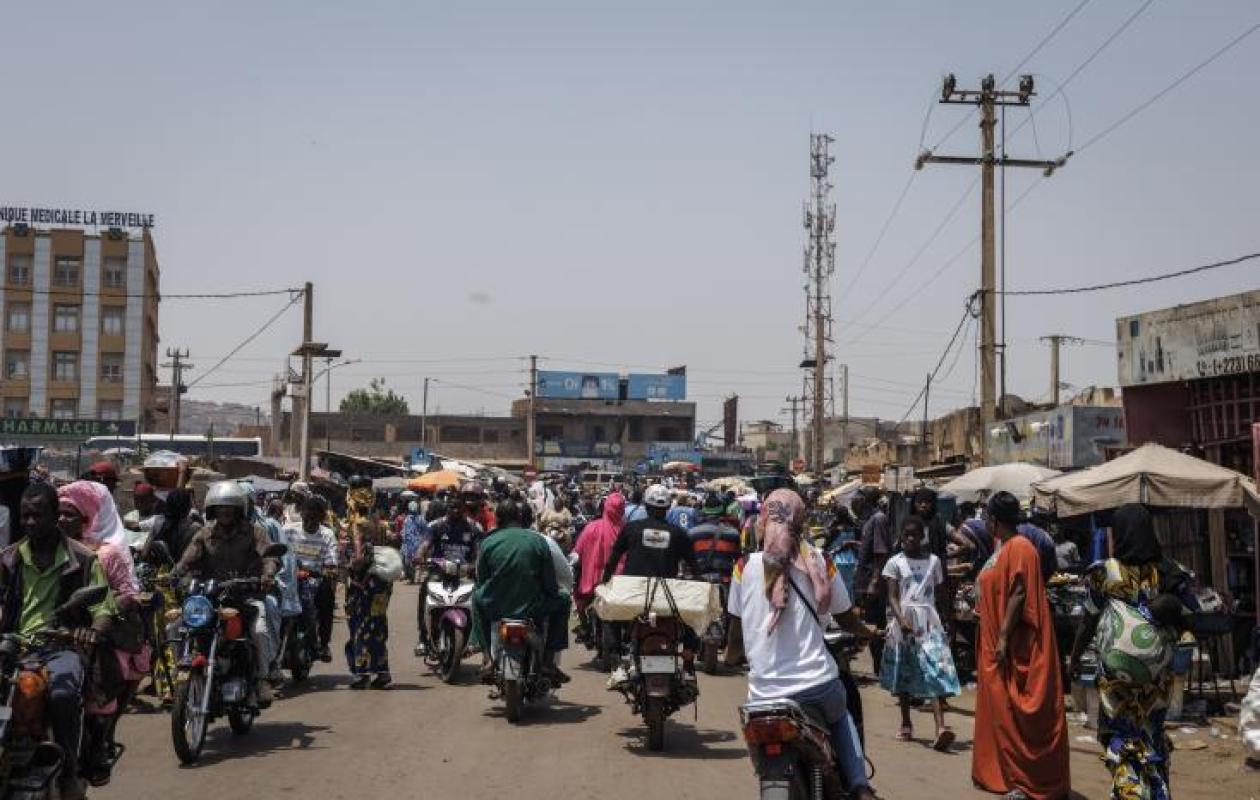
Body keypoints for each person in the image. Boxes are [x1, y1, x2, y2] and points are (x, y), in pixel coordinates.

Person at [727, 489, 879, 800]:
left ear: (764, 520)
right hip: (817, 688)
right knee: (842, 710)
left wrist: (731, 656)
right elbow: (846, 618)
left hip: (763, 696)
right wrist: (868, 632)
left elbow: (735, 631)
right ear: (800, 522)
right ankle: (859, 784)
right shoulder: (820, 561)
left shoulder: (744, 566)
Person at [1070, 503, 1196, 800]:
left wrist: (1074, 659)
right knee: (1151, 735)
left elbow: (1088, 621)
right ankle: (1157, 791)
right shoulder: (1169, 571)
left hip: (1117, 680)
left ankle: (1131, 793)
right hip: (1157, 678)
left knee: (1120, 736)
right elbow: (1195, 614)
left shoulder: (1106, 573)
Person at [2, 483, 116, 800]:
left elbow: (103, 608)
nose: (29, 522)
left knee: (64, 694)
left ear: (56, 516)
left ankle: (69, 772)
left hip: (60, 647)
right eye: (25, 516)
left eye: (37, 515)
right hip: (13, 647)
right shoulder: (8, 559)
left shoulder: (83, 558)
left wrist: (90, 630)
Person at [972, 492, 1069, 800]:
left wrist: (1002, 638)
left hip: (1013, 644)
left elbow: (1018, 593)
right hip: (995, 641)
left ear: (994, 519)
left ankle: (1027, 782)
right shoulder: (1002, 547)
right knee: (1000, 709)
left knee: (1017, 710)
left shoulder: (1021, 547)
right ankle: (1004, 774)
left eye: (987, 517)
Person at [56, 481, 149, 786]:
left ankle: (97, 746)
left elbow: (127, 593)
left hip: (102, 629)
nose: (61, 520)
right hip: (54, 630)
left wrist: (99, 616)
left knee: (101, 678)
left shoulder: (105, 554)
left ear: (88, 518)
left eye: (70, 515)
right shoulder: (43, 549)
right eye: (57, 514)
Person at [170, 480, 280, 705]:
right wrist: (173, 574)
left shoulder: (254, 532)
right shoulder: (205, 533)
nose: (225, 512)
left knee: (258, 630)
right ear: (212, 509)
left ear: (240, 509)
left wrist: (267, 575)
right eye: (220, 508)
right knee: (175, 627)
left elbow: (269, 556)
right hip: (211, 596)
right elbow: (188, 559)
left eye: (229, 508)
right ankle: (181, 678)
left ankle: (261, 679)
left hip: (245, 595)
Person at [880, 516, 960, 751]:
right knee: (903, 670)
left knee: (934, 668)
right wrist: (901, 619)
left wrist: (948, 619)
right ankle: (906, 722)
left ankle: (940, 727)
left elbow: (941, 592)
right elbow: (893, 596)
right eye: (907, 535)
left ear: (922, 537)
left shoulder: (934, 562)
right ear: (901, 538)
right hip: (903, 620)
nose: (911, 539)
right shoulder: (894, 563)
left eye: (915, 535)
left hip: (928, 621)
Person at [471, 500, 571, 684]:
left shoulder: (488, 541)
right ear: (519, 518)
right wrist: (552, 594)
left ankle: (486, 657)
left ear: (498, 519)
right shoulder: (539, 541)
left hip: (496, 607)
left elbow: (482, 580)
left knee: (476, 598)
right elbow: (549, 582)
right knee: (564, 600)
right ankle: (549, 661)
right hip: (533, 608)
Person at [414, 491, 483, 656]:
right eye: (452, 507)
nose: (456, 511)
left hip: (465, 573)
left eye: (459, 508)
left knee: (480, 598)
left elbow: (480, 551)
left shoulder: (474, 527)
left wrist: (479, 564)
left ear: (464, 508)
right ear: (447, 508)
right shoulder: (436, 526)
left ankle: (476, 640)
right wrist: (419, 555)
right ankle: (423, 638)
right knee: (424, 591)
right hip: (439, 571)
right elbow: (425, 544)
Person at [343, 478, 393, 689]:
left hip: (362, 583)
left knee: (360, 625)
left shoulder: (358, 523)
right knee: (378, 624)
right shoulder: (380, 522)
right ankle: (382, 671)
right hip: (382, 582)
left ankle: (361, 672)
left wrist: (350, 564)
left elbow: (357, 558)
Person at [600, 485, 697, 584]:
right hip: (665, 592)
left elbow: (614, 557)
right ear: (668, 507)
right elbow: (694, 565)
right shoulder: (679, 534)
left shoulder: (631, 528)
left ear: (646, 505)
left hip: (632, 591)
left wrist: (605, 579)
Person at [282, 494, 339, 663]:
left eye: (314, 518)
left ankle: (324, 643)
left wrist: (329, 570)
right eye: (307, 517)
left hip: (315, 580)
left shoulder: (327, 535)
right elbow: (277, 550)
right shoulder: (288, 530)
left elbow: (331, 560)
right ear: (302, 514)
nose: (310, 522)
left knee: (327, 597)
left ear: (321, 518)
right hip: (288, 578)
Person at [571, 491, 625, 643]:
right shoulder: (626, 530)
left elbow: (577, 551)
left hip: (591, 583)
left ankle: (584, 627)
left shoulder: (591, 527)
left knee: (578, 599)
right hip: (619, 584)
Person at [854, 487, 893, 669]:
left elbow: (880, 554)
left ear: (868, 499)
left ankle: (882, 666)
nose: (856, 501)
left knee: (875, 624)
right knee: (870, 623)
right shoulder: (870, 520)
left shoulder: (878, 519)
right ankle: (880, 665)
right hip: (866, 579)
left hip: (873, 582)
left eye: (859, 497)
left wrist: (874, 582)